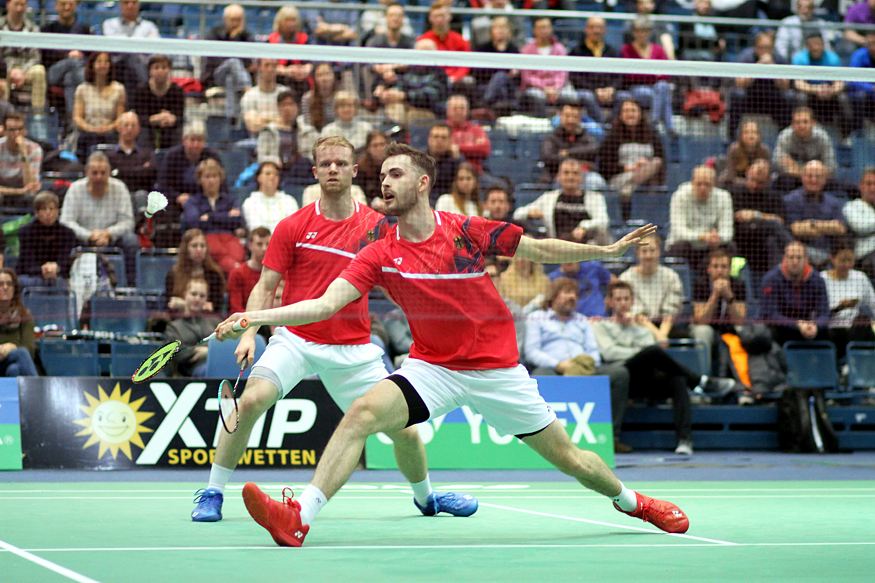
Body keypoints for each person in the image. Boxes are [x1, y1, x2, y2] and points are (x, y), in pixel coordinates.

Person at [215, 143, 687, 547]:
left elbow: (541, 248)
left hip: (496, 371)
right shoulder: (379, 253)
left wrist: (604, 252)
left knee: (572, 460)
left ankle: (633, 502)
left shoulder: (466, 231)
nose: (384, 183)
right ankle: (299, 517)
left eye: (395, 174)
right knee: (360, 414)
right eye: (382, 176)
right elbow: (323, 305)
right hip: (432, 368)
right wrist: (254, 318)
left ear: (423, 183)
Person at [191, 137, 478, 524]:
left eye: (341, 163)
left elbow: (407, 274)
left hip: (352, 349)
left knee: (406, 430)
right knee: (250, 401)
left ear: (354, 171)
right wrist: (248, 333)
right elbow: (266, 285)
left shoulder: (376, 228)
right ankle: (212, 492)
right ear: (314, 172)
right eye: (325, 164)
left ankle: (427, 499)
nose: (332, 169)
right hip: (296, 340)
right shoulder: (293, 226)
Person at [593, 280, 730, 456]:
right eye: (618, 299)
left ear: (632, 301)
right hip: (622, 379)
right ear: (610, 302)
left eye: (626, 299)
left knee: (677, 379)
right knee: (653, 352)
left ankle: (684, 440)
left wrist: (638, 333)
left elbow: (651, 353)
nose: (623, 303)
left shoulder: (641, 328)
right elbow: (610, 353)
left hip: (645, 379)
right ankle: (699, 381)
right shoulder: (601, 326)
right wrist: (640, 352)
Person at [524, 277, 631, 450]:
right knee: (540, 377)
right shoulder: (536, 318)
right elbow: (532, 351)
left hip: (583, 368)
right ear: (553, 296)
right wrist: (559, 364)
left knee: (619, 374)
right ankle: (546, 440)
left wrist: (584, 365)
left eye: (574, 293)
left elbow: (593, 351)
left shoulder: (582, 320)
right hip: (552, 368)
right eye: (567, 292)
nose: (572, 297)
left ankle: (612, 437)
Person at [59, 151, 138, 280]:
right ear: (87, 172)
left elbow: (128, 222)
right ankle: (66, 280)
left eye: (103, 173)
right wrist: (89, 235)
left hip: (112, 239)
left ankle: (131, 283)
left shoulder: (120, 188)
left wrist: (108, 233)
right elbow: (66, 221)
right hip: (82, 239)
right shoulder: (75, 189)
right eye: (94, 173)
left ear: (109, 172)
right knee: (64, 237)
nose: (99, 177)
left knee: (131, 240)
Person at [514, 158, 609, 244]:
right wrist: (529, 213)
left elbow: (603, 221)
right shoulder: (548, 198)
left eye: (575, 173)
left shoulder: (595, 198)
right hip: (557, 249)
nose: (570, 177)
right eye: (566, 173)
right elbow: (517, 214)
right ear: (558, 177)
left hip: (588, 249)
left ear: (582, 178)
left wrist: (584, 227)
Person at [181, 158, 246, 275]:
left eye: (215, 176)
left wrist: (210, 217)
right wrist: (226, 217)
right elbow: (194, 223)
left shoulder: (230, 200)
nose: (211, 180)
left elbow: (237, 220)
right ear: (200, 179)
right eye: (207, 176)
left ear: (220, 178)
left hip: (229, 240)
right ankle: (234, 268)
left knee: (238, 251)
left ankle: (233, 268)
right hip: (206, 240)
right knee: (218, 252)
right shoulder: (192, 201)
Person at [666, 165, 734, 274]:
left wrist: (717, 238)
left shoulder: (724, 197)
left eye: (707, 184)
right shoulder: (679, 196)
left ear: (714, 185)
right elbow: (679, 232)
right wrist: (701, 236)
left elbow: (728, 232)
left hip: (710, 247)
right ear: (692, 183)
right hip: (686, 246)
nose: (703, 188)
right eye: (699, 184)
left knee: (730, 247)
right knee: (681, 247)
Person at [760, 240, 830, 346]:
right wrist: (796, 324)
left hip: (808, 327)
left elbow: (824, 313)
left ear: (806, 259)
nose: (795, 261)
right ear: (784, 259)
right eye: (791, 257)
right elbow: (770, 314)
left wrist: (816, 325)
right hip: (781, 327)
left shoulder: (817, 280)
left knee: (827, 332)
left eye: (799, 257)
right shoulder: (770, 279)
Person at [729, 159, 790, 274]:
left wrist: (756, 215)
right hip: (741, 240)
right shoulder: (734, 192)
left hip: (763, 244)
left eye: (760, 182)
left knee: (773, 237)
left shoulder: (774, 196)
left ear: (768, 180)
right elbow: (732, 216)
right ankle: (795, 249)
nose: (754, 185)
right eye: (752, 180)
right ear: (747, 173)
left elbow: (780, 221)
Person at [728, 31, 792, 140]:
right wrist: (758, 66)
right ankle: (731, 136)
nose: (765, 51)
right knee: (737, 95)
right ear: (755, 47)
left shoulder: (779, 59)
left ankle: (784, 138)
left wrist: (773, 67)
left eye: (768, 48)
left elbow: (785, 86)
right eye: (762, 47)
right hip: (750, 99)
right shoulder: (746, 57)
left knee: (790, 97)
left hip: (772, 100)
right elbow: (739, 83)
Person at [690, 249, 747, 372]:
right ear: (709, 269)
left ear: (730, 269)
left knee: (744, 331)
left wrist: (729, 296)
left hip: (729, 327)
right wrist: (714, 296)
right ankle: (704, 375)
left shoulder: (739, 284)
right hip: (707, 326)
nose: (720, 270)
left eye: (724, 266)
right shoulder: (700, 284)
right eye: (715, 266)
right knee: (702, 331)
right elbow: (701, 320)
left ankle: (741, 376)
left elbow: (740, 320)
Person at [791, 32, 854, 144]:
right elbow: (798, 84)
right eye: (812, 44)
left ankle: (845, 136)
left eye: (818, 44)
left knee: (843, 98)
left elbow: (840, 83)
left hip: (830, 95)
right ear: (807, 46)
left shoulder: (833, 59)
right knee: (801, 97)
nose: (815, 47)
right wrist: (816, 89)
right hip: (810, 94)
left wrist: (831, 90)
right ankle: (800, 134)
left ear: (823, 45)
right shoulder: (799, 58)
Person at [783, 160, 848, 268]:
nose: (814, 180)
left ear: (825, 179)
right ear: (802, 177)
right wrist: (829, 226)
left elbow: (840, 228)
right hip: (801, 256)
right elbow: (796, 229)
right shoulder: (790, 200)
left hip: (829, 254)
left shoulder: (833, 202)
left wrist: (812, 224)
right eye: (809, 176)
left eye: (818, 176)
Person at [619, 235, 684, 339]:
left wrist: (662, 335)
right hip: (636, 327)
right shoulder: (626, 278)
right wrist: (659, 336)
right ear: (637, 253)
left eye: (652, 250)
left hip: (666, 326)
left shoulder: (671, 276)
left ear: (659, 252)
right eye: (644, 251)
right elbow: (635, 313)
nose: (648, 255)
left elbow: (671, 311)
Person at [598, 99, 665, 199]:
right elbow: (605, 166)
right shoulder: (612, 137)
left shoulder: (652, 135)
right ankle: (629, 189)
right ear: (620, 115)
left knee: (656, 162)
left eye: (633, 111)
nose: (630, 114)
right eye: (626, 111)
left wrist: (646, 165)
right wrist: (629, 168)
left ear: (640, 114)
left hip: (648, 179)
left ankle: (629, 190)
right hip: (621, 178)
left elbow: (661, 160)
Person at [618, 17, 674, 136]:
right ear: (633, 32)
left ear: (649, 32)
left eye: (644, 31)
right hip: (636, 88)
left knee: (663, 86)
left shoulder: (658, 50)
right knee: (658, 94)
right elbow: (630, 75)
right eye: (638, 31)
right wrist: (654, 74)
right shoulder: (626, 50)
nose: (641, 34)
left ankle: (655, 122)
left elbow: (666, 73)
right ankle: (666, 126)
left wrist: (646, 73)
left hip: (656, 87)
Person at [201, 4, 254, 125]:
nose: (235, 23)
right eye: (233, 20)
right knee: (233, 62)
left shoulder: (247, 36)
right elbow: (214, 60)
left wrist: (237, 37)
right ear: (225, 20)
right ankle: (248, 90)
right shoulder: (214, 34)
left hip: (235, 77)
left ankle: (232, 118)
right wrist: (234, 40)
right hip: (216, 76)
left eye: (238, 20)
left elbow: (250, 62)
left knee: (230, 79)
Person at [822, 245, 875, 362]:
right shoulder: (822, 279)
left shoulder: (860, 277)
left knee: (864, 322)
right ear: (833, 259)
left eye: (850, 260)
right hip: (831, 327)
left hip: (854, 328)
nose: (846, 265)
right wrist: (840, 307)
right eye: (842, 260)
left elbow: (873, 305)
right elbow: (819, 312)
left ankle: (856, 364)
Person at [17, 191, 78, 289]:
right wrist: (43, 270)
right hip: (32, 274)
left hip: (59, 275)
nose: (48, 213)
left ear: (57, 211)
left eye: (51, 209)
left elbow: (65, 261)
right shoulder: (25, 232)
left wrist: (57, 268)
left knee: (61, 283)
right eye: (44, 209)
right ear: (37, 212)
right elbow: (27, 262)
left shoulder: (68, 233)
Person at [72, 51, 125, 163]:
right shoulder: (82, 89)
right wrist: (92, 129)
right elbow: (77, 118)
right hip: (88, 134)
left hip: (110, 134)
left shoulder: (119, 89)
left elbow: (120, 118)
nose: (103, 65)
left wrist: (108, 128)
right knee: (88, 139)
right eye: (99, 61)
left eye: (106, 62)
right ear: (92, 65)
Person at [42, 0, 90, 122]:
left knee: (70, 77)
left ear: (76, 6)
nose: (67, 7)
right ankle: (87, 94)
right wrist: (68, 55)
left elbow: (90, 55)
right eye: (63, 4)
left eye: (70, 4)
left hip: (75, 73)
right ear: (56, 6)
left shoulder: (84, 29)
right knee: (74, 62)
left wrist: (81, 55)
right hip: (53, 73)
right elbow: (45, 56)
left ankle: (72, 122)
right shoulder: (48, 29)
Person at [569, 16, 621, 125]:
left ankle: (611, 123)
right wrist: (594, 90)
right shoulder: (576, 51)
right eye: (592, 27)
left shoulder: (612, 51)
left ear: (605, 30)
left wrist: (612, 88)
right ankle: (603, 124)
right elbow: (574, 77)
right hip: (588, 91)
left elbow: (619, 75)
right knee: (586, 95)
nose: (596, 31)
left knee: (624, 97)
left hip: (609, 91)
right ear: (586, 29)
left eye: (599, 27)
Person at [165, 278, 222, 377]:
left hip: (218, 364)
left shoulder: (215, 322)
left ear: (206, 299)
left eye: (202, 296)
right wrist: (201, 350)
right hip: (190, 373)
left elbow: (226, 344)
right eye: (193, 294)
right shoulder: (174, 327)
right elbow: (178, 354)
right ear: (185, 295)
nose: (197, 299)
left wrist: (209, 352)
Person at [773, 108, 837, 194]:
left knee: (833, 184)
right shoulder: (785, 136)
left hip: (816, 179)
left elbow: (831, 167)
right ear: (792, 124)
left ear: (813, 123)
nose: (801, 126)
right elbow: (777, 163)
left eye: (805, 122)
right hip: (792, 179)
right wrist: (810, 172)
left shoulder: (823, 137)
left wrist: (797, 168)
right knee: (784, 180)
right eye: (797, 122)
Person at [520, 17, 574, 117]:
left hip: (557, 88)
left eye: (546, 27)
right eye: (540, 28)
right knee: (538, 96)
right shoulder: (526, 50)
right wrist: (544, 88)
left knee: (571, 96)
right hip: (535, 88)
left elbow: (562, 74)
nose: (544, 31)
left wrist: (555, 88)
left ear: (551, 29)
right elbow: (527, 77)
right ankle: (544, 122)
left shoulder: (560, 49)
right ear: (534, 30)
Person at [100, 0, 159, 93]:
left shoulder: (149, 26)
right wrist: (137, 45)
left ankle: (141, 93)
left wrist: (129, 45)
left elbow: (155, 48)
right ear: (120, 5)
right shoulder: (109, 24)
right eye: (126, 2)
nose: (130, 6)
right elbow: (114, 45)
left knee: (134, 59)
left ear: (139, 5)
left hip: (141, 65)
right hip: (116, 65)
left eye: (134, 2)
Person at [165, 228, 226, 315]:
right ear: (186, 249)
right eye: (194, 246)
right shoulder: (173, 274)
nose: (199, 250)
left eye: (202, 246)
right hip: (180, 318)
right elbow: (170, 304)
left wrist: (183, 304)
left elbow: (215, 307)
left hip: (207, 319)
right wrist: (200, 305)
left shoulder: (214, 274)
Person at [0, 0, 46, 113]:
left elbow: (35, 56)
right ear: (8, 5)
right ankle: (3, 116)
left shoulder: (33, 28)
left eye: (22, 5)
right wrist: (10, 70)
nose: (19, 9)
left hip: (26, 69)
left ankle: (37, 115)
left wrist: (22, 72)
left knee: (39, 71)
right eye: (16, 4)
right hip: (4, 69)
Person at [130, 54, 184, 151]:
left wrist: (172, 119)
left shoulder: (177, 91)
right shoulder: (141, 90)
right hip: (147, 128)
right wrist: (156, 119)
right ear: (150, 71)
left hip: (170, 129)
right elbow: (139, 117)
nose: (160, 71)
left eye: (164, 67)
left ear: (169, 70)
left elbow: (180, 117)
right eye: (156, 67)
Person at [539, 102, 600, 181]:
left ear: (580, 118)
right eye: (567, 116)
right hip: (556, 175)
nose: (570, 120)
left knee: (595, 180)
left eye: (574, 116)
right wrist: (576, 162)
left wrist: (568, 152)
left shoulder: (587, 137)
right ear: (560, 116)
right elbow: (548, 157)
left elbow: (594, 149)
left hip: (584, 175)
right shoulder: (551, 138)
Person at [106, 111, 157, 203]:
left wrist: (120, 171)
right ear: (118, 127)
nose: (130, 128)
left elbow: (149, 176)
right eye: (126, 125)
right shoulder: (109, 155)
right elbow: (110, 178)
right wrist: (141, 169)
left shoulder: (147, 153)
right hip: (116, 196)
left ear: (138, 129)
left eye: (133, 125)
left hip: (141, 196)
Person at [241, 161, 299, 233]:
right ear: (259, 178)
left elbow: (293, 228)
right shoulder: (250, 202)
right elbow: (255, 229)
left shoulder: (289, 201)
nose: (272, 177)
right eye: (268, 174)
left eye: (276, 174)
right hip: (262, 238)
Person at [0, 268, 38, 377]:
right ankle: (38, 387)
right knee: (21, 353)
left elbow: (30, 349)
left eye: (9, 284)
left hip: (14, 360)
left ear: (14, 289)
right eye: (1, 284)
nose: (5, 287)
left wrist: (12, 347)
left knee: (14, 370)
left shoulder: (24, 314)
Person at [0, 111, 41, 207]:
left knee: (33, 197)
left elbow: (31, 186)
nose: (17, 133)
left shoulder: (35, 149)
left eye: (20, 129)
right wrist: (19, 191)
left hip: (24, 192)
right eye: (12, 130)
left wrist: (24, 154)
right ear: (4, 131)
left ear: (25, 130)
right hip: (4, 190)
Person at [228, 227, 271, 315]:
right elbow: (236, 308)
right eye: (259, 244)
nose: (264, 248)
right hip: (246, 320)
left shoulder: (278, 273)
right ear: (250, 245)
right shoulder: (237, 274)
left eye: (268, 244)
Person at [718, 121, 771, 190]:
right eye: (746, 132)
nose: (751, 136)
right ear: (741, 136)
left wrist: (757, 182)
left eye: (754, 132)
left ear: (759, 136)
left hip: (759, 185)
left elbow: (768, 176)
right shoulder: (734, 149)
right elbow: (730, 176)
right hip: (737, 185)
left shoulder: (765, 151)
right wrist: (747, 182)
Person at [241, 59, 288, 137]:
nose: (270, 69)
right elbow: (253, 125)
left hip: (283, 137)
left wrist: (263, 119)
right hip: (257, 139)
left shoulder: (285, 92)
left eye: (274, 66)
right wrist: (276, 120)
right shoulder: (249, 95)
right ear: (259, 68)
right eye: (267, 65)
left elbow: (288, 123)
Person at [445, 95, 490, 175]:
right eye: (455, 108)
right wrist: (472, 147)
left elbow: (484, 149)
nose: (459, 112)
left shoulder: (476, 129)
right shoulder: (441, 129)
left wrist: (458, 148)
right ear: (448, 111)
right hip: (447, 174)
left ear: (467, 111)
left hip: (475, 174)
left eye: (462, 108)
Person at [844, 168, 875, 277]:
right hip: (865, 258)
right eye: (869, 184)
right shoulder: (851, 206)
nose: (873, 188)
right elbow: (860, 227)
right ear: (861, 186)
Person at [354, 130, 389, 209]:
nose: (379, 148)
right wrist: (373, 202)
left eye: (382, 144)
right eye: (375, 145)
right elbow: (358, 194)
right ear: (368, 148)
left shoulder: (395, 166)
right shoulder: (360, 169)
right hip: (369, 208)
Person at [425, 123, 461, 201]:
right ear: (429, 140)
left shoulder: (456, 161)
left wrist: (458, 159)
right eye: (436, 137)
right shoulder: (419, 160)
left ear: (450, 141)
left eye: (443, 138)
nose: (439, 141)